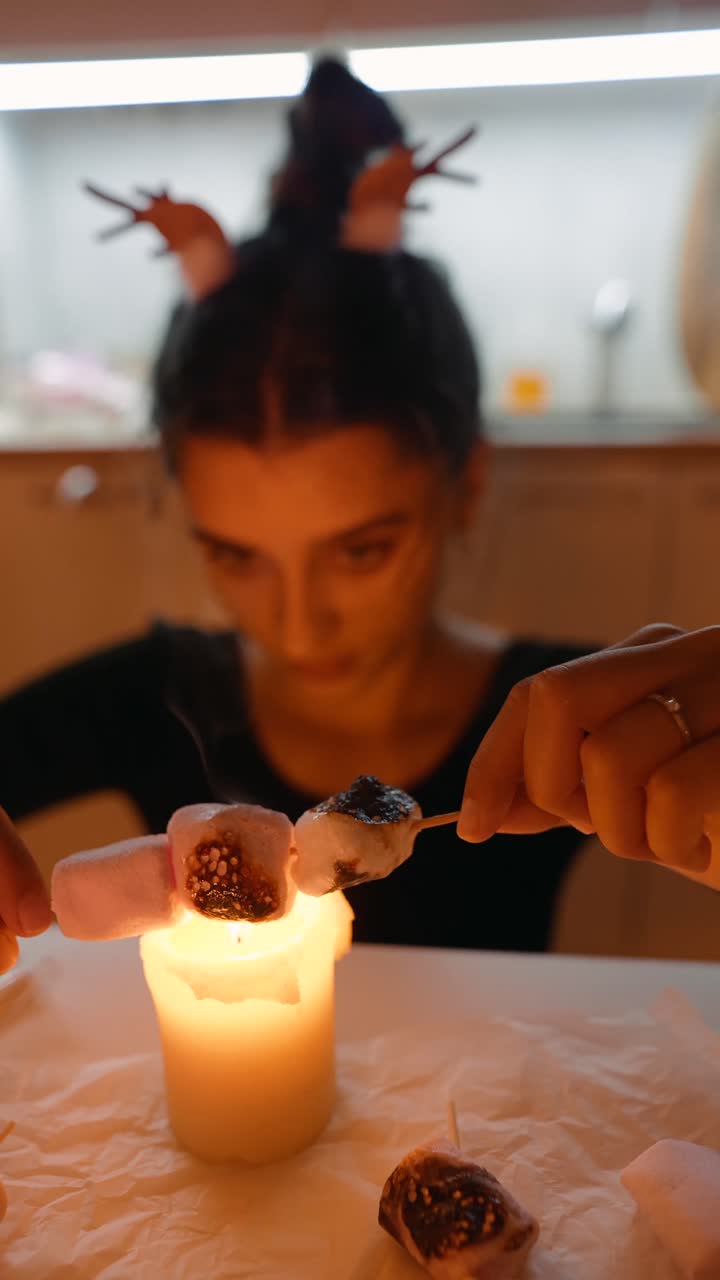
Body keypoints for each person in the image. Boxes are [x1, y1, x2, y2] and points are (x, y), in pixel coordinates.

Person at [0, 58, 590, 972]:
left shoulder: (567, 721)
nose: (298, 626)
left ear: (466, 484)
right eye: (237, 557)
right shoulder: (142, 697)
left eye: (361, 552)